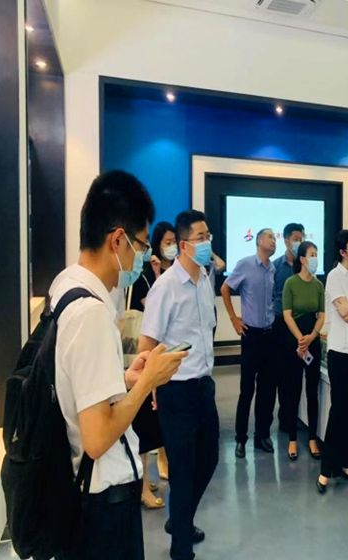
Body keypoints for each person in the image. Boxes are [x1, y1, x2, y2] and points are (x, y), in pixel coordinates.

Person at [51, 170, 186, 560]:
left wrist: (123, 379)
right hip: (103, 506)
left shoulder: (66, 286)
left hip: (81, 494)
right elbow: (96, 440)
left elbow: (77, 385)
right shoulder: (91, 314)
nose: (141, 256)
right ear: (117, 240)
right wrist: (147, 383)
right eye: (140, 245)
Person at [139, 210, 219, 560]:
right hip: (176, 391)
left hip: (204, 386)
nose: (207, 242)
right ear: (184, 245)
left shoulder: (204, 279)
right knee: (182, 473)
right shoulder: (165, 287)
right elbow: (146, 346)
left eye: (208, 236)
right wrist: (151, 387)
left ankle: (180, 520)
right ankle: (181, 550)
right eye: (201, 237)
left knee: (209, 459)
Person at [316, 230, 348, 494]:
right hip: (340, 350)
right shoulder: (334, 276)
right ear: (342, 251)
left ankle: (346, 463)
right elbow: (345, 315)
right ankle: (326, 470)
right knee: (338, 410)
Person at [129, 221, 177, 509]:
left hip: (153, 352)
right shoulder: (139, 275)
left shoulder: (156, 273)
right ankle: (143, 484)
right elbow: (152, 307)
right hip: (137, 354)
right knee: (143, 422)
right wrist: (157, 275)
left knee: (152, 420)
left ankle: (150, 474)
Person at [222, 228, 278, 457]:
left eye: (274, 238)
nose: (274, 241)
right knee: (247, 390)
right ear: (259, 241)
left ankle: (262, 436)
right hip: (251, 336)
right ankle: (240, 439)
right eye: (270, 237)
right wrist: (233, 318)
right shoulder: (245, 264)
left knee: (267, 390)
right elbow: (225, 288)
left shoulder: (272, 269)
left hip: (269, 335)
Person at [282, 241, 325, 461]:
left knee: (312, 391)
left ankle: (312, 438)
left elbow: (322, 315)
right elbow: (287, 314)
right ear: (302, 259)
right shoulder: (290, 283)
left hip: (312, 342)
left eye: (316, 254)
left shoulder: (318, 285)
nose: (315, 258)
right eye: (311, 254)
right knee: (293, 390)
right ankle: (292, 438)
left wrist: (312, 336)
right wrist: (300, 339)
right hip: (294, 343)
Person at [273, 223, 305, 433]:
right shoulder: (276, 266)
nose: (298, 242)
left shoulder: (305, 266)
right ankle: (284, 415)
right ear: (286, 241)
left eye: (301, 238)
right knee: (282, 373)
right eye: (295, 239)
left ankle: (295, 414)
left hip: (301, 326)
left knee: (297, 373)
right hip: (280, 325)